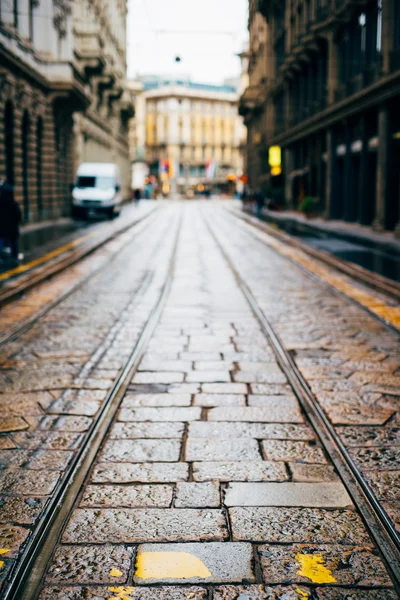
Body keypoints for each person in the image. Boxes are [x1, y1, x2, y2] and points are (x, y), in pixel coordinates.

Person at [0, 179, 22, 262]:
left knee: (1, 241)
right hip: (12, 227)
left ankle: (2, 255)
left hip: (2, 227)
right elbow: (18, 215)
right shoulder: (13, 203)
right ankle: (14, 256)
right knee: (13, 243)